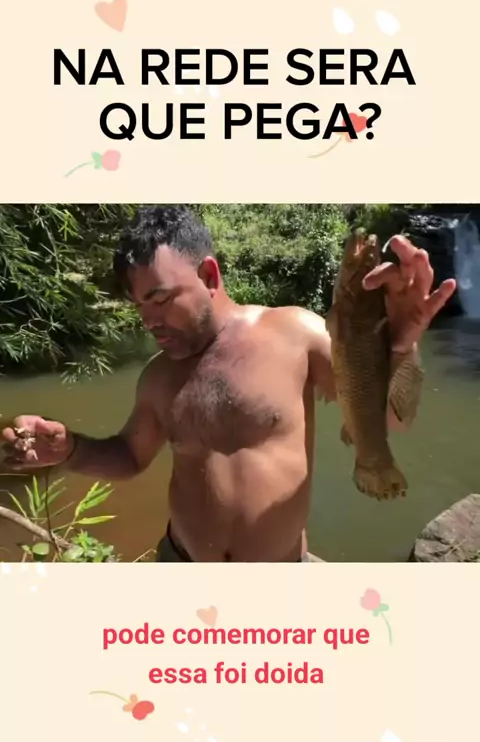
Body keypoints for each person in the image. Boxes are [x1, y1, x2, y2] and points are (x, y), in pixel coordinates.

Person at [2, 206, 456, 562]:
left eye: (161, 298)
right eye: (140, 306)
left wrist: (400, 348)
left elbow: (391, 420)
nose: (149, 321)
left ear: (209, 276)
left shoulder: (296, 334)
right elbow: (130, 456)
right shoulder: (158, 377)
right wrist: (70, 450)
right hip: (180, 566)